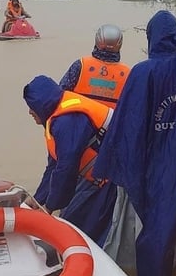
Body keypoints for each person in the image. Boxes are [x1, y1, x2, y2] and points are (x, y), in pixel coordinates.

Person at [92, 10, 176, 276]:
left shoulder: (143, 72)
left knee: (158, 223)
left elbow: (128, 124)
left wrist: (111, 166)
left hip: (157, 164)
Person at [23, 75, 118, 244]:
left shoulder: (67, 121)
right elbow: (54, 166)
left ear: (41, 105)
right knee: (73, 218)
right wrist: (37, 200)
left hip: (112, 180)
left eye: (31, 107)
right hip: (98, 177)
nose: (29, 112)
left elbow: (67, 167)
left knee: (75, 227)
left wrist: (50, 207)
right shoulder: (56, 118)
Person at [59, 24, 131, 109]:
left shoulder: (81, 65)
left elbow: (60, 94)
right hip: (111, 121)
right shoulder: (127, 73)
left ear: (97, 40)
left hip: (79, 119)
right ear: (119, 45)